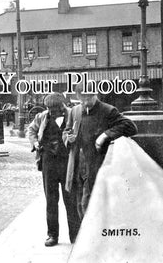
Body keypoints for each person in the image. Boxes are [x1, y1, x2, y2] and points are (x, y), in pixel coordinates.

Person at [64, 83, 137, 221]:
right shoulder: (75, 111)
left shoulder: (108, 110)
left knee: (89, 203)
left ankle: (91, 237)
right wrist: (68, 138)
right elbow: (67, 130)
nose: (85, 103)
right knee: (79, 203)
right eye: (81, 99)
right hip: (77, 164)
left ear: (95, 95)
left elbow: (131, 127)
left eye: (88, 99)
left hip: (97, 164)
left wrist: (105, 135)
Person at [27, 93, 80, 247]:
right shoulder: (42, 116)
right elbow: (31, 130)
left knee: (70, 199)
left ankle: (75, 235)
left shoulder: (72, 115)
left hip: (66, 162)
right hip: (48, 162)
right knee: (51, 201)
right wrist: (35, 142)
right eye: (48, 108)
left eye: (53, 109)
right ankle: (52, 235)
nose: (50, 112)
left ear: (62, 106)